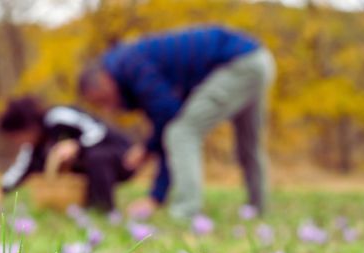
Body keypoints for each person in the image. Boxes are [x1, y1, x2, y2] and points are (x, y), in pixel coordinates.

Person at [78, 25, 275, 219]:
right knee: (248, 144)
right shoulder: (129, 63)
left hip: (236, 64)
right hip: (258, 59)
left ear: (105, 80)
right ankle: (258, 207)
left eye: (103, 100)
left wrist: (155, 196)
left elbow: (170, 122)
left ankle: (186, 210)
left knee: (183, 133)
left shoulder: (132, 65)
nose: (108, 109)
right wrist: (149, 148)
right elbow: (167, 119)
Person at [0, 96, 140, 212]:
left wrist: (77, 145)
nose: (18, 143)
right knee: (45, 163)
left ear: (27, 126)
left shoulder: (58, 117)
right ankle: (81, 207)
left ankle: (103, 209)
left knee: (96, 157)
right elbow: (21, 167)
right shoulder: (34, 146)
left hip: (123, 158)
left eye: (17, 137)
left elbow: (98, 130)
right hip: (94, 165)